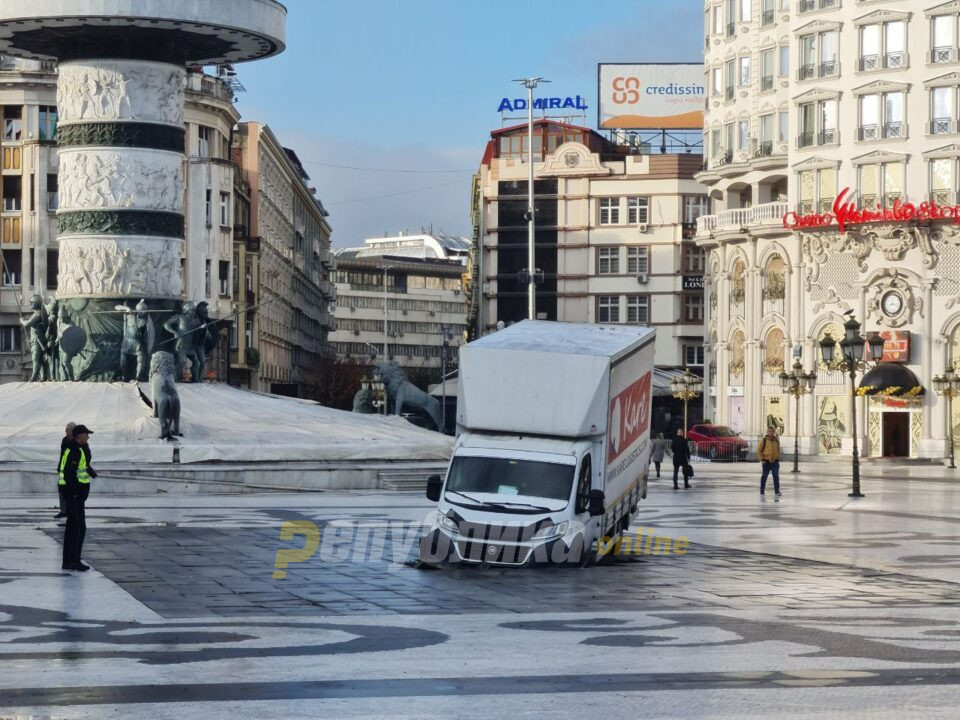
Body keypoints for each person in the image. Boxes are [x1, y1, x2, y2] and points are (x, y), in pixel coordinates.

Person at [59, 424, 98, 571]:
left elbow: (83, 465)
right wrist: (75, 492)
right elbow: (69, 472)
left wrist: (91, 472)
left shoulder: (78, 448)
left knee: (77, 527)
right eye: (86, 434)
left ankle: (72, 560)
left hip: (76, 495)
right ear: (80, 435)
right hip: (74, 495)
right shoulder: (74, 449)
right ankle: (71, 561)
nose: (88, 437)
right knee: (76, 527)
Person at [54, 422, 76, 520]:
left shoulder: (76, 441)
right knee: (61, 489)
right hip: (63, 470)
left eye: (67, 429)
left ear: (72, 430)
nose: (65, 430)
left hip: (71, 471)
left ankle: (70, 510)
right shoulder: (65, 439)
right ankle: (63, 510)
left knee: (70, 491)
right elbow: (62, 455)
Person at [758, 426, 781, 497]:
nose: (771, 432)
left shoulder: (776, 440)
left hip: (775, 462)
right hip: (766, 461)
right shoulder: (764, 440)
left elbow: (778, 450)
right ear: (767, 432)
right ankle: (762, 490)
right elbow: (759, 451)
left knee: (776, 476)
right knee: (764, 476)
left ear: (774, 432)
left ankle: (777, 491)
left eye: (772, 431)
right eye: (769, 431)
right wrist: (762, 459)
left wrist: (777, 459)